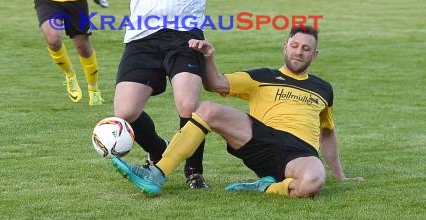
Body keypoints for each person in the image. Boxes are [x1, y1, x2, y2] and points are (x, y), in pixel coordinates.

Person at [15, 0, 278, 189]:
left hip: (185, 36)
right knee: (124, 111)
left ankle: (194, 173)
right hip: (142, 36)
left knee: (187, 104)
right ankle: (160, 151)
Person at [110, 25, 363, 197]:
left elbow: (327, 134)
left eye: (306, 48)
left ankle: (265, 188)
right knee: (207, 109)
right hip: (260, 138)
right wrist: (208, 56)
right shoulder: (263, 76)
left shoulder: (323, 89)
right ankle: (157, 173)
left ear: (315, 55)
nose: (299, 51)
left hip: (300, 152)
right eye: (294, 45)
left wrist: (340, 176)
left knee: (313, 182)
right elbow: (216, 83)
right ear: (285, 47)